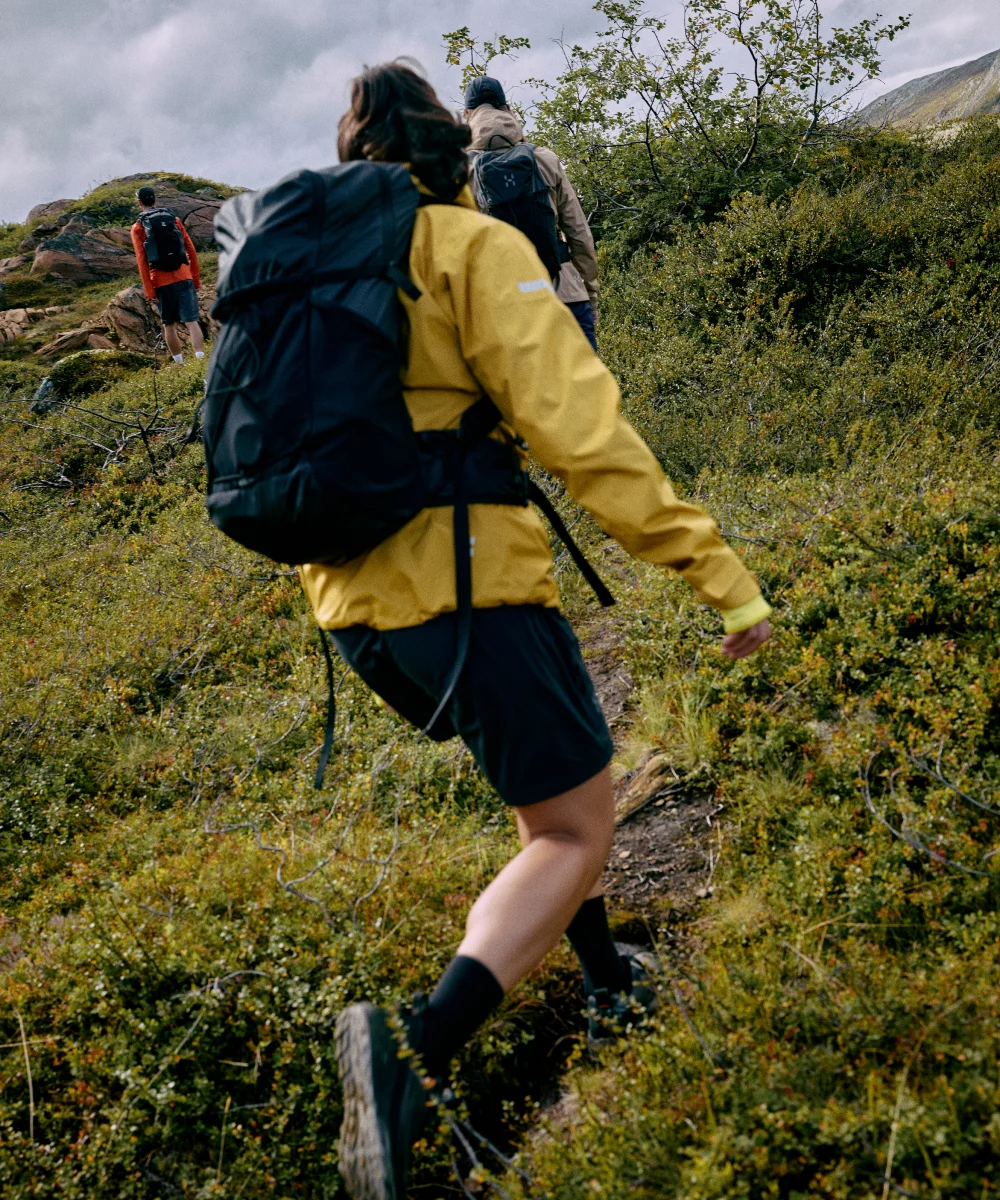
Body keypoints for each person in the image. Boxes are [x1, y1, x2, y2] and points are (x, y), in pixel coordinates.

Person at [303, 62, 772, 1200]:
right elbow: (583, 432)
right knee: (574, 831)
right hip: (466, 589)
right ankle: (411, 1053)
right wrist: (720, 577)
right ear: (455, 154)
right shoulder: (469, 247)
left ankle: (606, 971)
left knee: (548, 799)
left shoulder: (310, 257)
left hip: (353, 610)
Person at [464, 75, 601, 351]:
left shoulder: (459, 173)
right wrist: (590, 294)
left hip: (506, 306)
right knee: (587, 392)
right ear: (507, 108)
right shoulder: (544, 159)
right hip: (565, 295)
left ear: (466, 114)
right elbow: (579, 234)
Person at [130, 186, 205, 364]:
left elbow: (142, 261)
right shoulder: (174, 219)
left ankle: (180, 365)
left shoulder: (138, 227)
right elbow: (191, 250)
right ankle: (201, 361)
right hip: (184, 276)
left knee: (168, 324)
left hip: (161, 281)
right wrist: (195, 279)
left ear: (140, 203)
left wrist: (150, 291)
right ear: (155, 200)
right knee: (192, 321)